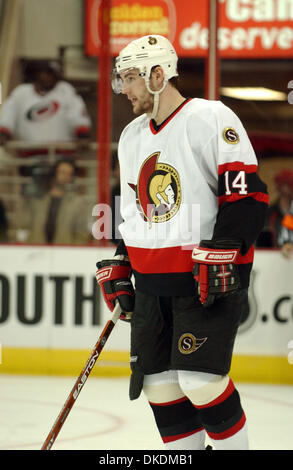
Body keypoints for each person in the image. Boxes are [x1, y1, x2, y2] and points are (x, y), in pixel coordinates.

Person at [95, 35, 269, 450]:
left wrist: (224, 248)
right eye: (121, 79)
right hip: (153, 285)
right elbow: (134, 212)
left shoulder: (210, 117)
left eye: (131, 78)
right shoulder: (132, 136)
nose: (125, 89)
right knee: (161, 388)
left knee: (201, 382)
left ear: (159, 75)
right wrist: (122, 259)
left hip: (203, 280)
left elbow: (248, 197)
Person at [0, 61, 91, 151]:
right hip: (29, 153)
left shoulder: (65, 90)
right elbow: (9, 113)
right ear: (37, 74)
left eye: (52, 75)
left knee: (64, 166)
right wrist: (3, 133)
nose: (48, 78)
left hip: (62, 153)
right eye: (46, 73)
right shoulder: (22, 92)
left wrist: (82, 134)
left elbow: (76, 113)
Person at [16, 158, 90, 245]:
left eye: (69, 174)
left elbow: (81, 233)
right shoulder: (38, 199)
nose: (65, 177)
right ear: (54, 173)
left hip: (64, 253)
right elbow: (23, 226)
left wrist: (73, 252)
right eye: (62, 172)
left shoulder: (76, 203)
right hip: (37, 251)